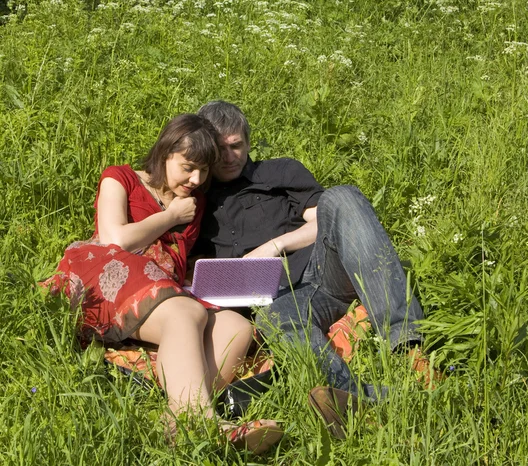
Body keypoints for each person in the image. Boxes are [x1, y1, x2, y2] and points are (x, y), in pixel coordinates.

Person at [41, 113, 282, 454]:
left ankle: (176, 419)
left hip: (165, 289)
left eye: (203, 171)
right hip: (109, 274)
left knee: (237, 328)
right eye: (187, 167)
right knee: (185, 314)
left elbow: (181, 258)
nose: (196, 179)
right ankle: (203, 425)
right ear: (165, 152)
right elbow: (115, 239)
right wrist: (170, 217)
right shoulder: (120, 177)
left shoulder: (193, 202)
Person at [194, 101, 434, 438]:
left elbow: (323, 222)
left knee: (342, 196)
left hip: (321, 271)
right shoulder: (196, 198)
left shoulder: (279, 172)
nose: (231, 156)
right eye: (221, 149)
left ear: (248, 143)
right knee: (277, 318)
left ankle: (408, 347)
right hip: (274, 300)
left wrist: (275, 246)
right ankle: (351, 399)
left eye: (237, 146)